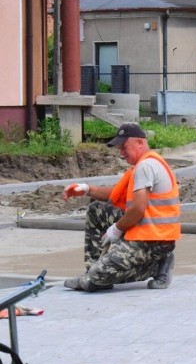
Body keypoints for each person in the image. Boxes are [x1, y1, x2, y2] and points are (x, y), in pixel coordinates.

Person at [62, 122, 181, 292]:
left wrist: (116, 229)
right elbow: (117, 196)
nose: (121, 153)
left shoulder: (146, 166)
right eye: (119, 148)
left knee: (96, 278)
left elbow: (138, 209)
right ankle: (92, 271)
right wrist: (88, 189)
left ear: (140, 142)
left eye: (124, 147)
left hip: (154, 239)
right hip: (145, 230)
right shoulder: (144, 164)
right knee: (96, 210)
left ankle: (158, 265)